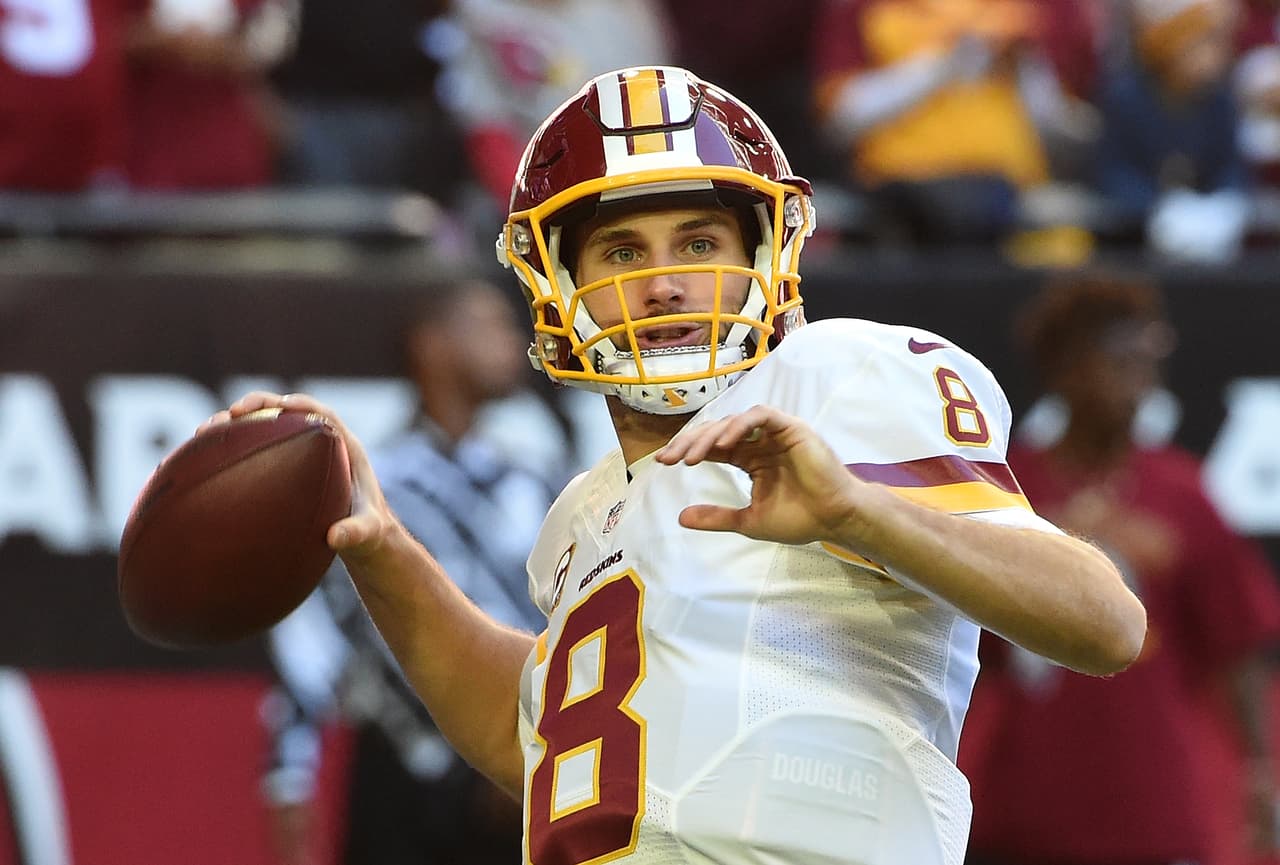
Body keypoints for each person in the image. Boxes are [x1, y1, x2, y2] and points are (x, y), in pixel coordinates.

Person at [208, 66, 1146, 865]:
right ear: (556, 288)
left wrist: (861, 512)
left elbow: (1104, 621)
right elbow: (532, 738)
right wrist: (383, 549)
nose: (661, 281)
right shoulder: (580, 513)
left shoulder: (832, 378)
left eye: (698, 242)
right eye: (622, 249)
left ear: (766, 258)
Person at [961, 270, 1280, 865]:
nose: (1139, 387)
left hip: (1153, 805)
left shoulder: (1181, 491)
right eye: (1119, 364)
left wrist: (1260, 772)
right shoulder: (1010, 489)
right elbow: (963, 648)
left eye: (1148, 365)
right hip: (1027, 802)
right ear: (1065, 369)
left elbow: (1236, 645)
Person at [261, 279, 561, 865]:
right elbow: (313, 640)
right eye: (488, 324)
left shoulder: (542, 481)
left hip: (520, 769)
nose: (512, 340)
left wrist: (543, 752)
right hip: (405, 773)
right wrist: (287, 775)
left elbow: (577, 623)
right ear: (432, 345)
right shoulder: (375, 490)